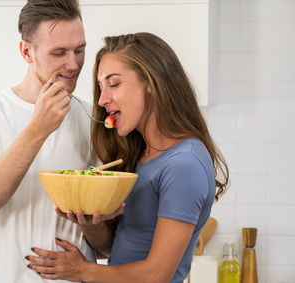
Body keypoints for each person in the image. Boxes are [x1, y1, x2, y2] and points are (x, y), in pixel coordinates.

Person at [25, 32, 230, 283]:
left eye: (114, 84)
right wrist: (91, 224)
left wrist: (81, 270)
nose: (102, 100)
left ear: (152, 83)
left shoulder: (183, 164)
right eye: (101, 87)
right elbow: (120, 250)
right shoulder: (141, 154)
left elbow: (156, 274)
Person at [0, 1, 99, 282]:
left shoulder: (92, 119)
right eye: (59, 53)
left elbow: (105, 244)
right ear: (26, 51)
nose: (74, 64)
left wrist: (92, 229)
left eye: (80, 50)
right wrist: (38, 129)